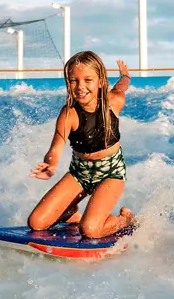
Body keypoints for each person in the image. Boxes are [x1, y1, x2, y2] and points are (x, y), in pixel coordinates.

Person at [27, 51, 135, 239]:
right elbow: (55, 148)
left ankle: (125, 221)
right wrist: (50, 165)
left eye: (88, 80)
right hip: (80, 172)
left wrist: (125, 76)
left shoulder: (114, 102)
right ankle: (71, 214)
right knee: (36, 222)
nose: (80, 87)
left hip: (111, 172)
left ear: (101, 81)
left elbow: (121, 87)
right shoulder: (68, 114)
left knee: (90, 230)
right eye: (73, 80)